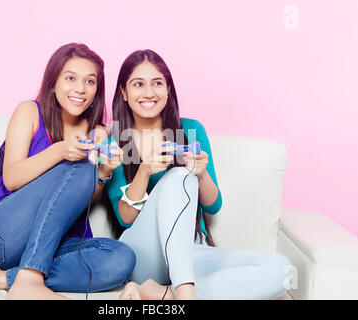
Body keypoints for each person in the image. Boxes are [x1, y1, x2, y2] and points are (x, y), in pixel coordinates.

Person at [0, 43, 135, 300]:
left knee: (121, 259)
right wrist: (60, 151)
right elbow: (11, 179)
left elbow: (74, 200)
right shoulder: (28, 111)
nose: (80, 89)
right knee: (79, 164)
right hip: (0, 236)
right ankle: (30, 278)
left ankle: (7, 279)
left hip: (50, 245)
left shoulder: (98, 133)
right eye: (70, 78)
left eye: (90, 82)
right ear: (53, 82)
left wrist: (102, 174)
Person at [102, 49, 292, 300]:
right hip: (145, 255)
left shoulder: (190, 129)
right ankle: (185, 294)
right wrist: (144, 172)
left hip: (191, 252)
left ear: (168, 88)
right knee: (179, 177)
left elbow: (214, 206)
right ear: (124, 93)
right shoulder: (116, 140)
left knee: (282, 270)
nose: (149, 92)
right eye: (138, 84)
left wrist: (201, 175)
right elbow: (125, 219)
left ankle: (163, 293)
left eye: (157, 83)